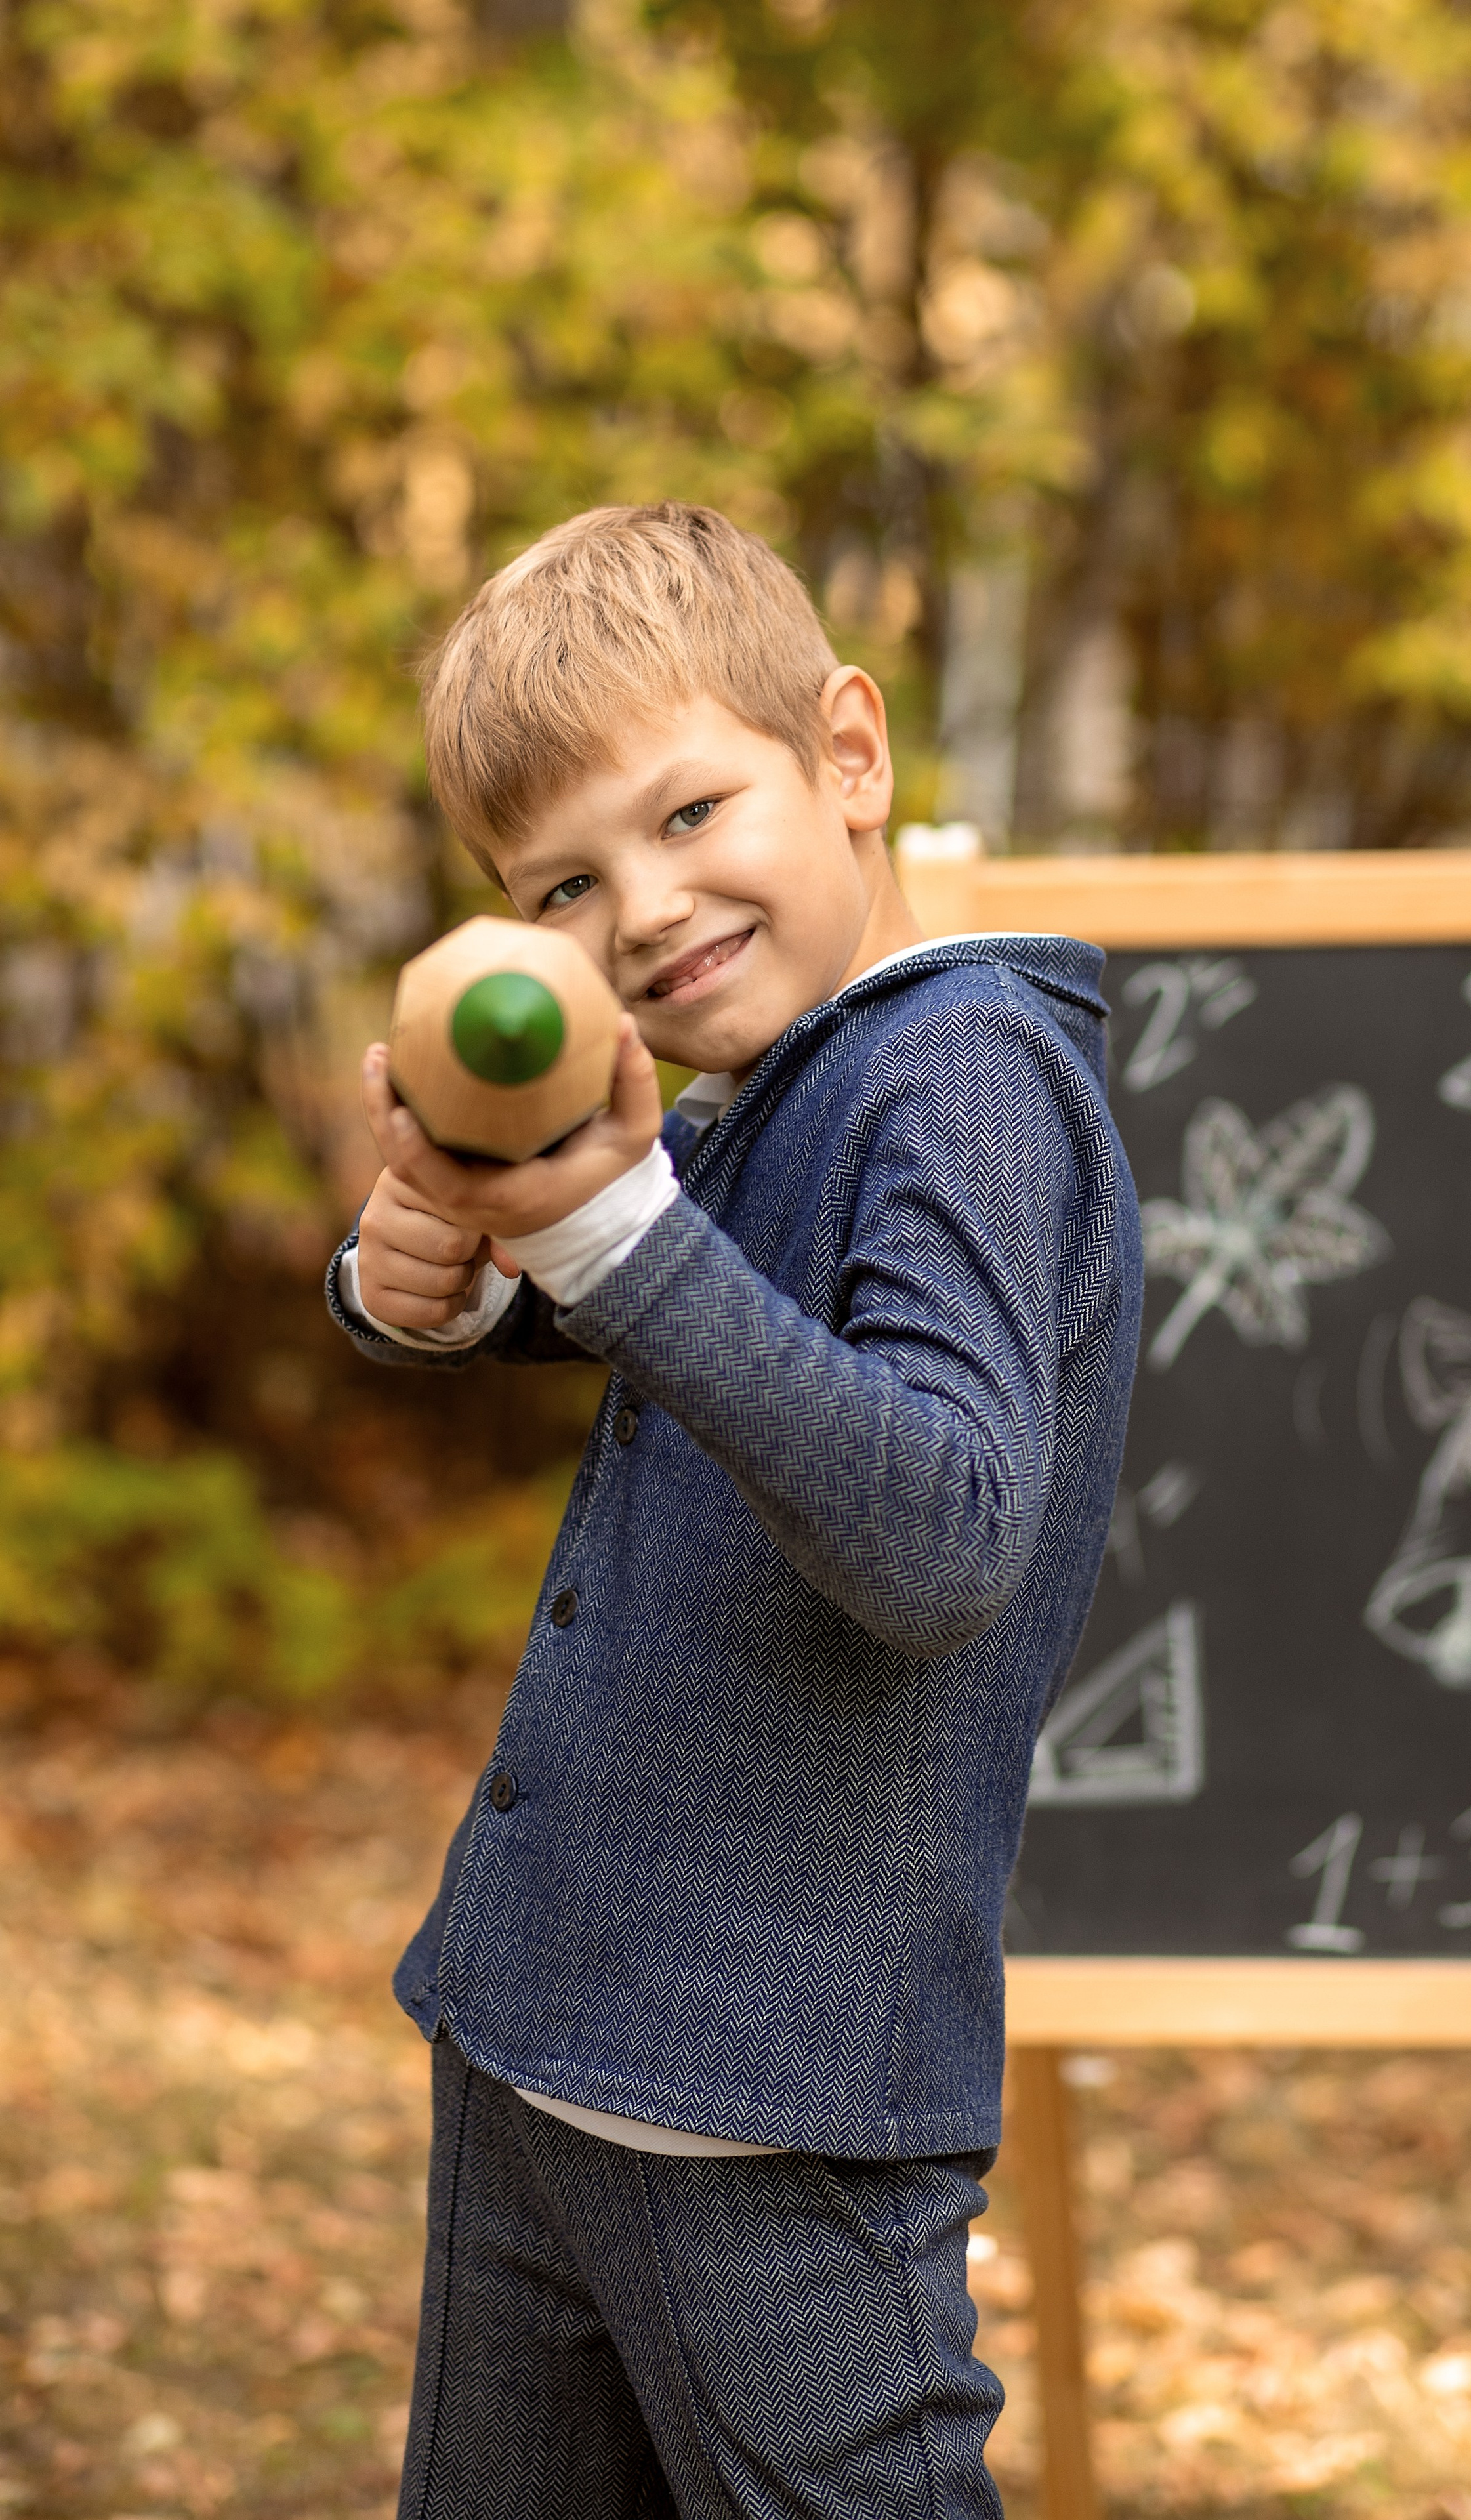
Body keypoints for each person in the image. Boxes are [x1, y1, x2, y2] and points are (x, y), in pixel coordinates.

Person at [327, 501, 1142, 2519]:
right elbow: (678, 1316)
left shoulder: (960, 1075)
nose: (648, 909)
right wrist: (428, 1284)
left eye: (693, 812)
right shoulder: (766, 1096)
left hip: (769, 2116)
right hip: (538, 2041)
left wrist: (605, 1231)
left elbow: (944, 1531)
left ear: (847, 757)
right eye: (568, 884)